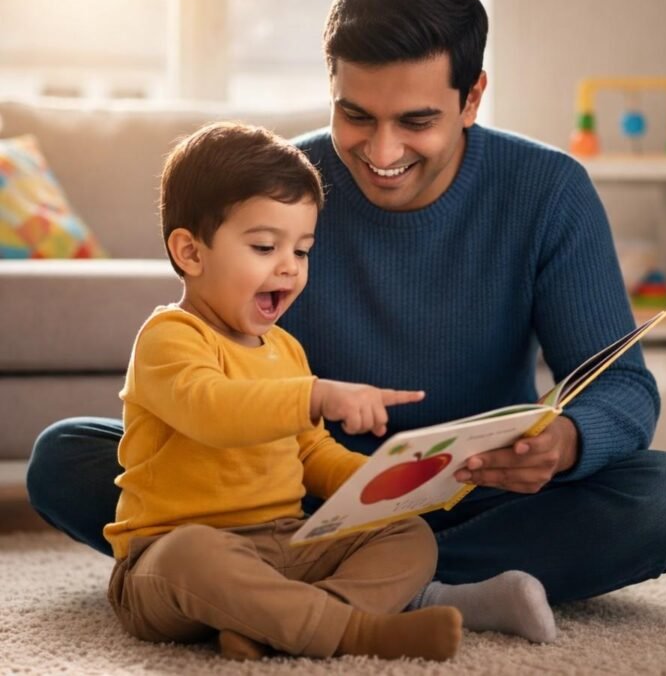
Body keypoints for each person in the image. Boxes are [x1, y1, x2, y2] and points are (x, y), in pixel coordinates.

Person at [27, 0, 666, 621]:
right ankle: (409, 586)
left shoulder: (548, 190)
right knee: (66, 455)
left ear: (472, 98)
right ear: (331, 87)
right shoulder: (282, 191)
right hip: (288, 491)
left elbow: (621, 387)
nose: (382, 154)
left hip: (475, 492)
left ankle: (301, 585)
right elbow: (206, 350)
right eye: (356, 117)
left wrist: (565, 441)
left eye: (416, 122)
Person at [102, 120, 469, 661]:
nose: (288, 268)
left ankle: (281, 622)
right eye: (265, 246)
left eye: (301, 251)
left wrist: (395, 478)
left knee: (408, 535)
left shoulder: (285, 350)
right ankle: (354, 634)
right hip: (168, 560)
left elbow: (312, 452)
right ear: (191, 252)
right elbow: (213, 412)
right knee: (193, 554)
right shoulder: (169, 339)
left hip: (285, 544)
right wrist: (316, 395)